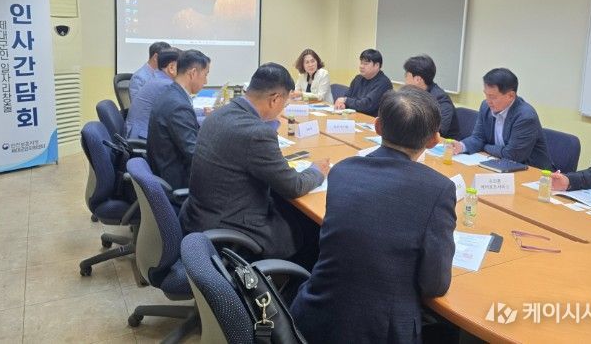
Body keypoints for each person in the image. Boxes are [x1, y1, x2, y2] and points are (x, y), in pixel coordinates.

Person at [291, 86, 457, 344]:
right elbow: (435, 285)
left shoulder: (342, 171)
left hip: (314, 313)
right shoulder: (438, 189)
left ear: (377, 126)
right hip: (381, 332)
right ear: (434, 140)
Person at [179, 62, 329, 261]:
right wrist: (316, 170)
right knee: (313, 228)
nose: (282, 109)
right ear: (275, 99)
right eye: (284, 104)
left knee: (286, 206)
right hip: (232, 226)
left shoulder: (220, 113)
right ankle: (294, 277)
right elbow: (294, 186)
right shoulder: (256, 133)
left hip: (200, 215)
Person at [453, 68, 553, 169]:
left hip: (532, 172)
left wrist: (484, 146)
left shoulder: (525, 116)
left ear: (511, 96)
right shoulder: (486, 107)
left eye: (492, 97)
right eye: (486, 95)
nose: (488, 101)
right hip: (499, 164)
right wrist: (461, 146)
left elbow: (512, 155)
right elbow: (478, 137)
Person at [147, 50, 210, 190]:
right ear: (193, 73)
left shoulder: (172, 93)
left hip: (165, 168)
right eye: (205, 75)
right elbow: (194, 153)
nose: (206, 81)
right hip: (177, 181)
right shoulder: (178, 106)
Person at [125, 48, 179, 139]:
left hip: (140, 131)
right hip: (142, 137)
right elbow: (180, 115)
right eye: (182, 67)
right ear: (171, 67)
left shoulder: (157, 78)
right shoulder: (166, 84)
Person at [404, 54, 460, 139]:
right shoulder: (413, 93)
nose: (405, 80)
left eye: (406, 75)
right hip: (419, 140)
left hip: (444, 144)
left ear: (418, 79)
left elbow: (439, 131)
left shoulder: (441, 99)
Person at [334, 48, 392, 116]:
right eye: (361, 63)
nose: (361, 66)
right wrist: (343, 104)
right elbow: (347, 96)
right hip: (354, 115)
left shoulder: (383, 83)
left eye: (365, 64)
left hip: (371, 119)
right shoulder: (358, 78)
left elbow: (367, 105)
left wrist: (345, 100)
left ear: (376, 65)